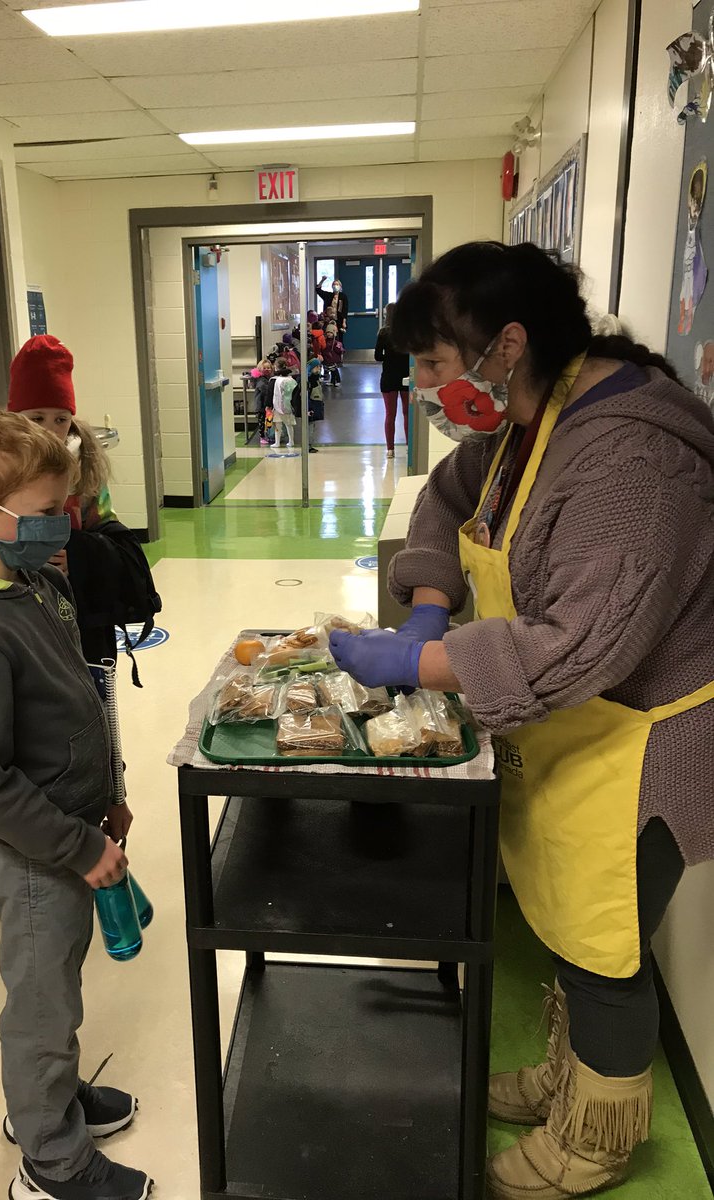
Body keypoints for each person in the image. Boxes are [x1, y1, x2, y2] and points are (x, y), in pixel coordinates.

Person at [329, 240, 714, 1200]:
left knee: (604, 946)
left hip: (642, 740)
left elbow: (586, 646)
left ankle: (598, 1136)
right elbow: (447, 496)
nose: (421, 384)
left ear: (507, 346)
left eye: (433, 362)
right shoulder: (534, 420)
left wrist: (416, 659)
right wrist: (425, 593)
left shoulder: (634, 459)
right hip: (574, 734)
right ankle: (564, 1077)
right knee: (563, 925)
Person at [0, 408, 152, 1200]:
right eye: (50, 510)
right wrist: (79, 846)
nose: (67, 523)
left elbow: (78, 703)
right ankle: (51, 1158)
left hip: (70, 826)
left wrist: (111, 795)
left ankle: (49, 1103)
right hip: (33, 855)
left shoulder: (37, 583)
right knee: (40, 1004)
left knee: (61, 984)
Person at [0, 335, 113, 567]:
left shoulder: (84, 471)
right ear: (16, 419)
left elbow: (109, 536)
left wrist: (78, 557)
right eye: (37, 418)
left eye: (61, 419)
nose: (50, 430)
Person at [375, 302, 410, 458]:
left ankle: (390, 449)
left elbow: (377, 357)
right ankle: (410, 446)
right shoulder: (407, 333)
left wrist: (388, 357)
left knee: (390, 415)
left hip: (388, 377)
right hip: (406, 377)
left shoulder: (383, 333)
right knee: (408, 413)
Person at [267, 358, 298, 451]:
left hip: (277, 406)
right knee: (289, 424)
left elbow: (270, 394)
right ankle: (291, 441)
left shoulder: (274, 380)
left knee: (277, 424)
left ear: (276, 367)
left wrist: (268, 405)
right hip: (288, 405)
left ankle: (277, 442)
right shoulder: (291, 379)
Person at [253, 359, 275, 445]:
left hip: (265, 405)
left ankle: (267, 436)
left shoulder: (267, 379)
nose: (267, 369)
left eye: (269, 368)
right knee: (262, 422)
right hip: (261, 405)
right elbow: (265, 390)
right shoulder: (261, 380)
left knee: (267, 421)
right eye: (265, 368)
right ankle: (262, 437)